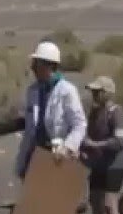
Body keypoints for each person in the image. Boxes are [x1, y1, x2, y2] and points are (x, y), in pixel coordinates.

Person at [12, 41, 88, 181]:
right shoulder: (33, 91)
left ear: (49, 65)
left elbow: (79, 124)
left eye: (37, 64)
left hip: (57, 157)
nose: (33, 68)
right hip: (35, 156)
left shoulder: (67, 91)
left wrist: (68, 147)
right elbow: (31, 127)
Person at [81, 76, 123, 214]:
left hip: (115, 164)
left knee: (110, 204)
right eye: (93, 91)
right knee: (95, 201)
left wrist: (94, 146)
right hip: (99, 163)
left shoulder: (117, 112)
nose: (94, 94)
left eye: (97, 91)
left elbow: (119, 141)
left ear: (106, 93)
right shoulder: (94, 113)